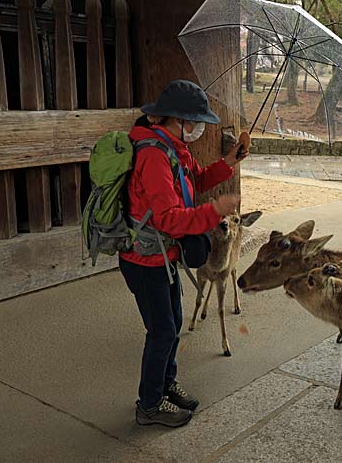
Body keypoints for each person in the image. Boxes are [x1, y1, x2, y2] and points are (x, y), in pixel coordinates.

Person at [120, 79, 247, 427]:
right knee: (161, 331)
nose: (199, 128)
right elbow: (168, 219)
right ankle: (148, 406)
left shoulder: (175, 148)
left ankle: (165, 385)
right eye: (196, 121)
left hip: (163, 256)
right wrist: (215, 211)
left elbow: (195, 181)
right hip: (144, 260)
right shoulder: (153, 155)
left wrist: (228, 163)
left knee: (173, 324)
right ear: (178, 119)